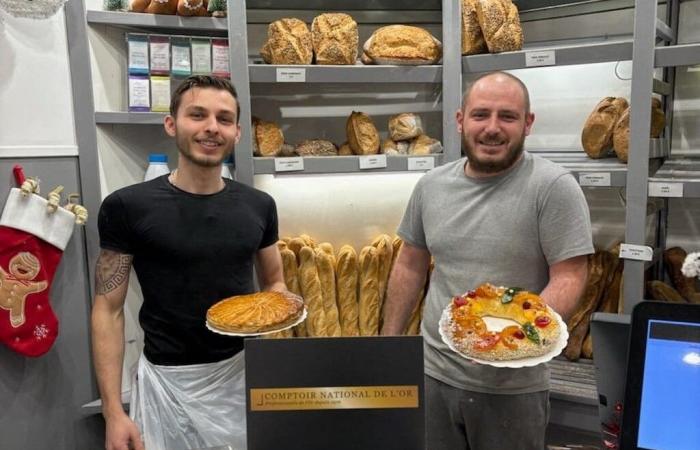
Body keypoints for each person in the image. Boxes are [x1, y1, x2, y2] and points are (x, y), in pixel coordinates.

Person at [381, 71, 594, 450]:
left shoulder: (554, 187)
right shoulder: (431, 186)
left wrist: (507, 345)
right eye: (481, 115)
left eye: (507, 116)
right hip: (434, 375)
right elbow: (410, 264)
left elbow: (571, 275)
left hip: (513, 388)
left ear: (528, 124)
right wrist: (388, 345)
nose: (492, 128)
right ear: (461, 120)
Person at [91, 75, 286, 450]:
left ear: (237, 132)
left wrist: (276, 311)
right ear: (171, 124)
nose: (212, 127)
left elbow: (274, 283)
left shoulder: (259, 205)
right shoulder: (127, 207)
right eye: (198, 115)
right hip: (166, 382)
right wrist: (114, 412)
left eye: (224, 119)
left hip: (241, 378)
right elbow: (108, 311)